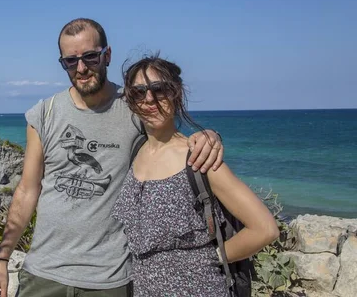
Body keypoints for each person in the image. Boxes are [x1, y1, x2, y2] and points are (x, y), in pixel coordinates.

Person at [0, 18, 224, 297]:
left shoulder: (134, 107)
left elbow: (171, 139)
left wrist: (208, 135)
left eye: (90, 57)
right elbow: (27, 190)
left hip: (110, 279)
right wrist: (1, 261)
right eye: (70, 61)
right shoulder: (44, 114)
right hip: (44, 273)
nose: (82, 68)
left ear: (106, 55)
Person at [110, 54, 280, 296]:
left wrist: (212, 257)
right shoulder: (136, 149)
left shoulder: (199, 158)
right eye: (139, 92)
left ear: (175, 93)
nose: (149, 99)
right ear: (130, 100)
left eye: (159, 89)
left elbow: (265, 228)